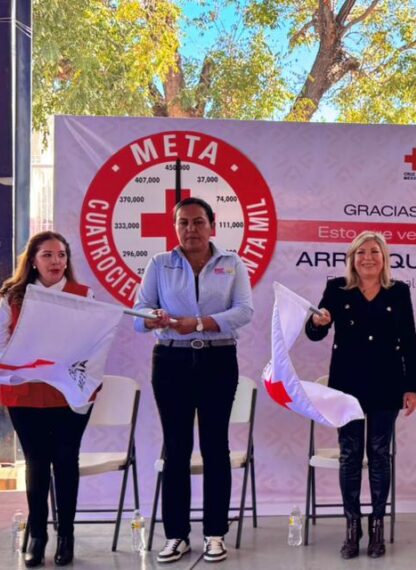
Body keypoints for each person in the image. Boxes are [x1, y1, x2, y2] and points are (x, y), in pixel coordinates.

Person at [134, 197, 253, 564]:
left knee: (216, 448)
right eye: (183, 223)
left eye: (198, 222)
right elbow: (138, 315)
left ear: (212, 226)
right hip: (171, 360)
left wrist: (199, 323)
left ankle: (216, 533)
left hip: (218, 359)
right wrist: (151, 318)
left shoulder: (232, 264)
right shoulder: (159, 264)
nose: (191, 229)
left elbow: (244, 311)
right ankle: (176, 535)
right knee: (177, 449)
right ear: (175, 227)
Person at [305, 231, 416, 560]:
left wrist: (412, 386)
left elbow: (409, 340)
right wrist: (317, 322)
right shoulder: (335, 290)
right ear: (352, 258)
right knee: (350, 454)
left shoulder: (398, 292)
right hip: (347, 384)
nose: (367, 258)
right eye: (361, 253)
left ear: (384, 258)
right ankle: (352, 527)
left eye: (374, 252)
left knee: (380, 454)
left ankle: (377, 528)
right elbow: (315, 333)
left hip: (387, 383)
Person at [0, 231, 94, 567]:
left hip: (68, 393)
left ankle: (66, 535)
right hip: (26, 390)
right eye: (48, 255)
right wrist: (25, 364)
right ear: (32, 260)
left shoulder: (82, 295)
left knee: (65, 460)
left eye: (61, 255)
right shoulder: (13, 296)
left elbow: (94, 344)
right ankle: (37, 534)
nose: (56, 262)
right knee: (36, 462)